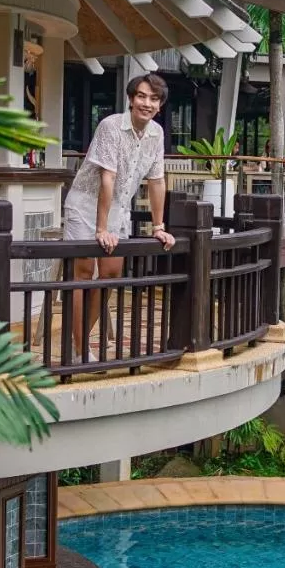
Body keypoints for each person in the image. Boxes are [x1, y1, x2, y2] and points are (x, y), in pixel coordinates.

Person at [64, 73, 176, 360]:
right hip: (85, 204)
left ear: (160, 105)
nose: (147, 103)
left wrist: (158, 226)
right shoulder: (111, 126)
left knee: (111, 274)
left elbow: (157, 180)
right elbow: (108, 178)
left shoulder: (156, 134)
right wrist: (101, 229)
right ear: (130, 99)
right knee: (83, 273)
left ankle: (80, 341)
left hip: (118, 208)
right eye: (141, 96)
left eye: (153, 99)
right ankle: (80, 349)